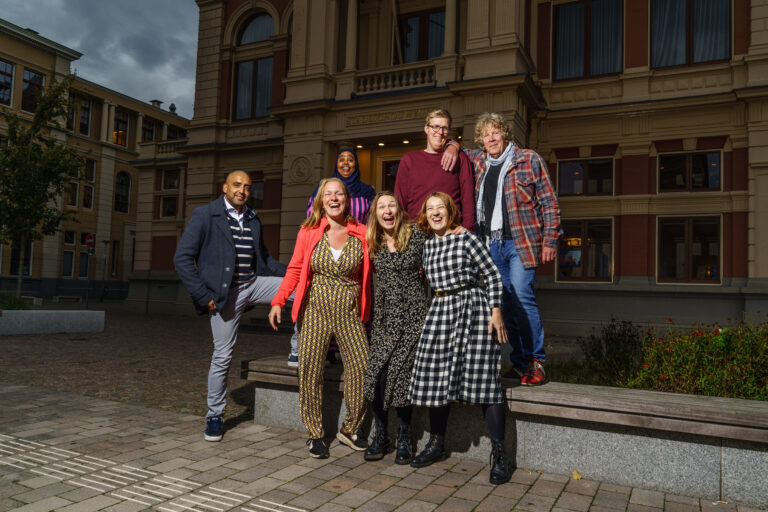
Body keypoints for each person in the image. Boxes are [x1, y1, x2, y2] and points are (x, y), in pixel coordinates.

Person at [174, 170, 293, 442]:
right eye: (237, 185)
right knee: (222, 356)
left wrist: (294, 274)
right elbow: (182, 258)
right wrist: (204, 296)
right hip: (225, 295)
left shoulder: (252, 218)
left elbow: (263, 259)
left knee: (301, 290)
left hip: (253, 283)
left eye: (248, 187)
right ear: (225, 187)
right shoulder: (206, 215)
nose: (243, 190)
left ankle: (297, 351)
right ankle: (214, 416)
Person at [445, 112, 561, 386]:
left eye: (495, 132)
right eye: (486, 134)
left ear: (505, 134)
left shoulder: (528, 159)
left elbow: (549, 203)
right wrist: (451, 145)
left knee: (521, 294)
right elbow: (456, 146)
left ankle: (537, 361)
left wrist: (551, 240)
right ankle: (520, 363)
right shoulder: (478, 161)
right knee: (504, 303)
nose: (491, 138)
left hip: (521, 242)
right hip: (491, 245)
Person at [408, 192, 512, 485]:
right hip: (440, 310)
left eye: (441, 208)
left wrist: (496, 312)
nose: (436, 213)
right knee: (434, 379)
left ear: (450, 212)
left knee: (485, 381)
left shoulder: (467, 239)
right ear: (425, 215)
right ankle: (437, 443)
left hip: (472, 309)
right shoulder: (426, 245)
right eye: (431, 209)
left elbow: (492, 275)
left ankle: (500, 453)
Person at [269, 178, 372, 459]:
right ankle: (315, 434)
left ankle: (350, 429)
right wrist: (278, 300)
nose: (334, 198)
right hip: (314, 310)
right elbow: (294, 269)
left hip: (349, 311)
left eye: (339, 193)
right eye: (329, 194)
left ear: (347, 199)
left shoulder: (361, 232)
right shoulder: (309, 230)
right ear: (321, 200)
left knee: (362, 367)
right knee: (311, 372)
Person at [362, 192, 429, 464]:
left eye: (391, 205)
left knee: (401, 372)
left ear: (399, 210)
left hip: (414, 315)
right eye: (382, 207)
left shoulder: (416, 235)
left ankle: (403, 435)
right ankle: (381, 434)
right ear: (375, 213)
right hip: (385, 317)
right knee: (376, 372)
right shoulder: (371, 241)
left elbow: (434, 264)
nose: (387, 210)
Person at [304, 147, 375, 365]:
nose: (346, 163)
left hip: (358, 250)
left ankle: (352, 349)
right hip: (329, 246)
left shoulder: (367, 191)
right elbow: (312, 215)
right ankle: (325, 350)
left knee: (356, 299)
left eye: (350, 160)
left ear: (356, 164)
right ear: (336, 163)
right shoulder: (324, 188)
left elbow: (374, 220)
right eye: (342, 159)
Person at [394, 109, 476, 230]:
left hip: (450, 231)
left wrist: (468, 230)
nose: (440, 132)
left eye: (445, 128)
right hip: (415, 231)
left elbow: (468, 198)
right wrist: (398, 232)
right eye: (435, 127)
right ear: (426, 129)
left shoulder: (460, 158)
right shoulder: (409, 160)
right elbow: (399, 200)